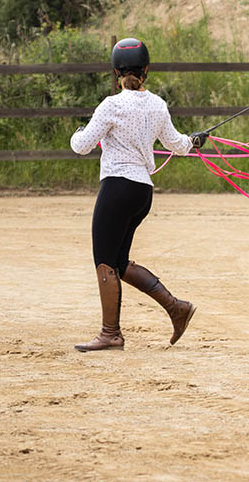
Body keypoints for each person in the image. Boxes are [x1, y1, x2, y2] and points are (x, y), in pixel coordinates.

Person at [70, 37, 209, 352]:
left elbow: (81, 146)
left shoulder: (112, 105)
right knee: (118, 262)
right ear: (146, 69)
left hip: (117, 186)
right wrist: (195, 140)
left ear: (116, 71)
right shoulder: (157, 105)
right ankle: (176, 308)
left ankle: (110, 334)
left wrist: (76, 133)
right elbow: (178, 144)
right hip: (142, 192)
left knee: (104, 261)